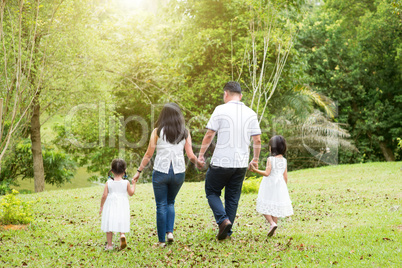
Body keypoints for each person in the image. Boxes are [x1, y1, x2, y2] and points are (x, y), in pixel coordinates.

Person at [132, 103, 204, 247]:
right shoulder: (185, 132)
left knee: (161, 205)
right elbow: (190, 155)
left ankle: (161, 241)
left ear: (163, 115)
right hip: (178, 173)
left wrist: (139, 171)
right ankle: (169, 232)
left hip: (161, 172)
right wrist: (198, 162)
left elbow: (148, 154)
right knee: (171, 202)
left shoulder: (157, 132)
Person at [198, 81, 261, 240]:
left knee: (212, 191)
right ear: (240, 96)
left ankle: (223, 221)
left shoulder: (220, 110)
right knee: (232, 198)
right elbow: (257, 140)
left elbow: (209, 135)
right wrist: (255, 159)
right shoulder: (251, 113)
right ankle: (228, 232)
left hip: (221, 162)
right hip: (240, 163)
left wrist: (201, 155)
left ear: (226, 94)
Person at [250, 135, 293, 237]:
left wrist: (255, 170)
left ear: (272, 147)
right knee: (275, 206)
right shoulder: (284, 160)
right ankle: (274, 228)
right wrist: (283, 188)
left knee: (264, 204)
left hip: (269, 185)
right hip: (280, 185)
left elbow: (267, 173)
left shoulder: (270, 159)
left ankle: (271, 223)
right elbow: (285, 176)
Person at [100, 159, 137, 250]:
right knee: (121, 220)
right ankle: (122, 235)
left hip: (110, 205)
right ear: (124, 171)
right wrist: (134, 184)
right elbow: (131, 193)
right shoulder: (126, 182)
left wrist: (101, 206)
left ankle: (109, 245)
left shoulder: (108, 182)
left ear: (112, 171)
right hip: (122, 205)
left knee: (109, 224)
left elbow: (104, 195)